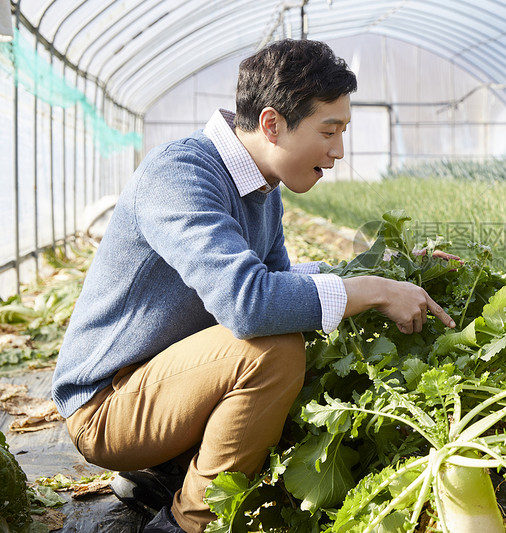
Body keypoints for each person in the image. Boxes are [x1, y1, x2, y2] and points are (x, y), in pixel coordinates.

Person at [51, 39, 456, 533]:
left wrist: (382, 268)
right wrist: (370, 291)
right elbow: (249, 304)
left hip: (163, 388)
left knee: (288, 324)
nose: (339, 150)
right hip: (107, 407)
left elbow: (280, 284)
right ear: (271, 124)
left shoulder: (262, 189)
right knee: (274, 348)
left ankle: (164, 473)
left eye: (343, 131)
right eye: (329, 131)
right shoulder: (180, 173)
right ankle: (184, 524)